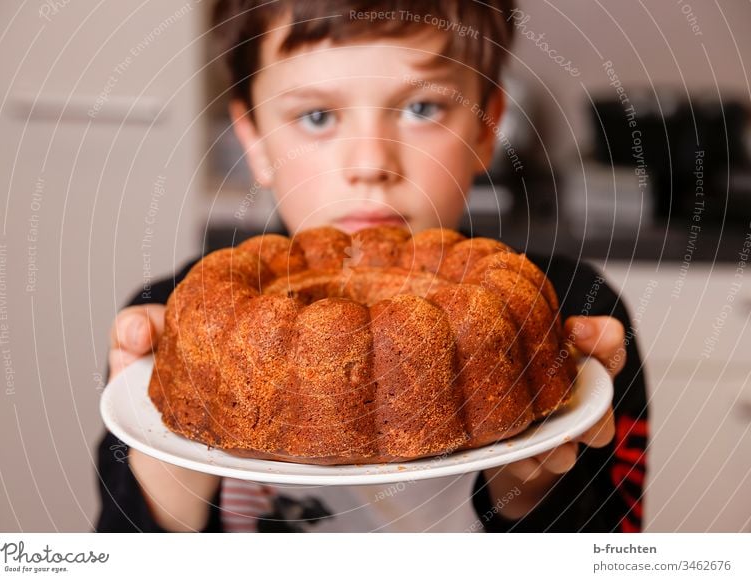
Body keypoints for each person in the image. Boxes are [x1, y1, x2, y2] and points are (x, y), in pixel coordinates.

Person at [95, 0, 648, 533]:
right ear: (256, 141)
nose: (370, 164)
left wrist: (531, 489)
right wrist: (170, 455)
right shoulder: (181, 323)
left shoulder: (568, 313)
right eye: (316, 116)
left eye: (422, 109)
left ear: (486, 128)